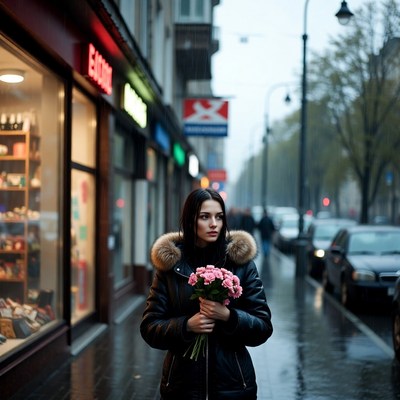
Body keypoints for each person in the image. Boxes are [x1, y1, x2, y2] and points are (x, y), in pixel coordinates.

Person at [140, 188, 273, 399]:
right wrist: (186, 326)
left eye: (219, 217)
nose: (214, 224)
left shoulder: (241, 265)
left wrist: (229, 317)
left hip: (233, 387)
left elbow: (263, 327)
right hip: (182, 389)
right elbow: (149, 328)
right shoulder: (171, 266)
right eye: (205, 216)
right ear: (190, 219)